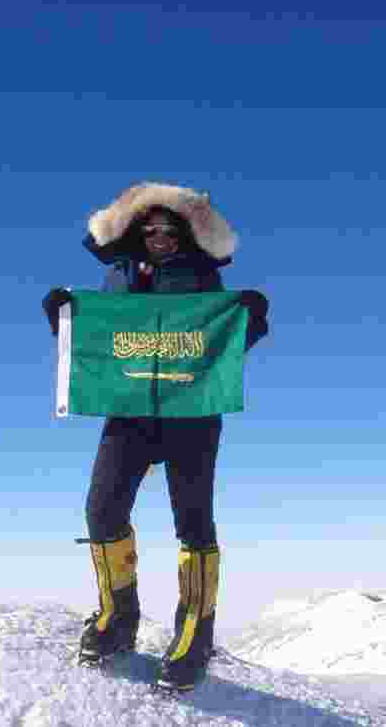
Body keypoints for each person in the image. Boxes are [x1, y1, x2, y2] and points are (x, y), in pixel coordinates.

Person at [42, 182, 269, 694]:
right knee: (102, 509)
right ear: (134, 231)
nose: (159, 236)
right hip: (130, 413)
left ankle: (194, 635)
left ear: (186, 233)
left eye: (170, 229)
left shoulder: (204, 276)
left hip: (191, 413)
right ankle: (116, 620)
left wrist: (251, 319)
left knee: (192, 521)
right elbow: (104, 347)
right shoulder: (114, 277)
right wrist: (65, 322)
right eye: (150, 228)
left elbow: (222, 345)